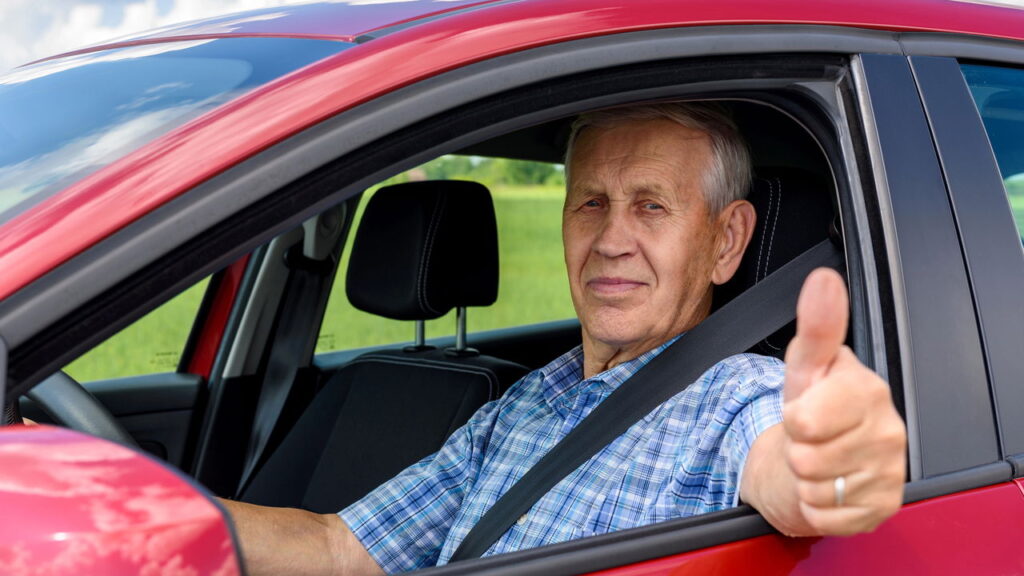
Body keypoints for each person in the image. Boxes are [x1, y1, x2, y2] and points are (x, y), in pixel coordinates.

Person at [222, 102, 907, 576]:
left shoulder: (737, 397)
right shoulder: (523, 403)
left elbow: (791, 471)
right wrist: (156, 521)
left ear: (726, 242)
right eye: (590, 203)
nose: (610, 240)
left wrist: (834, 467)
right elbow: (345, 551)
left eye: (651, 206)